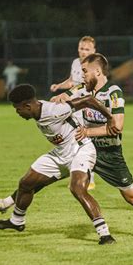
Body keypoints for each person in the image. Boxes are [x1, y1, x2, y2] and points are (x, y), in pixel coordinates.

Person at [0, 54, 133, 237]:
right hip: (80, 149)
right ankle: (13, 211)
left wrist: (89, 131)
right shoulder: (82, 89)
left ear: (98, 72)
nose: (82, 75)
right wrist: (55, 101)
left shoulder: (113, 93)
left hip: (108, 153)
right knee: (36, 180)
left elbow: (117, 127)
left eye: (85, 71)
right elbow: (58, 101)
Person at [0, 84, 120, 245]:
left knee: (77, 189)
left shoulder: (54, 111)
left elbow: (89, 100)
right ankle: (17, 221)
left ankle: (105, 234)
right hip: (61, 153)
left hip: (80, 150)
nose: (17, 112)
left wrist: (110, 119)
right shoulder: (37, 108)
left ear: (27, 106)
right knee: (26, 183)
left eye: (17, 109)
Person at [50, 35, 98, 190]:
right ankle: (81, 174)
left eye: (87, 49)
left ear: (93, 50)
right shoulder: (76, 63)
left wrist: (67, 95)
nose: (83, 52)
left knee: (87, 141)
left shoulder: (95, 65)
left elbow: (87, 87)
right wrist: (59, 86)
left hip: (89, 107)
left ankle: (88, 177)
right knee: (77, 139)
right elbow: (72, 81)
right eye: (81, 48)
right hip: (75, 108)